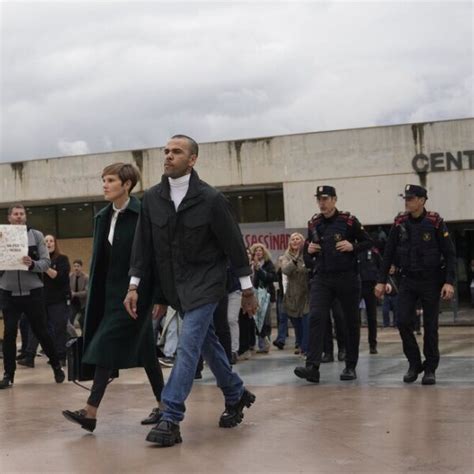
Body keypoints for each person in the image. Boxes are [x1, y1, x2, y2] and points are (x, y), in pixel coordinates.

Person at [124, 135, 258, 447]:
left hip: (208, 282)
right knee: (205, 341)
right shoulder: (152, 199)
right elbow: (143, 248)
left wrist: (247, 289)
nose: (169, 156)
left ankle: (170, 416)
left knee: (187, 344)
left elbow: (234, 245)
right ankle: (236, 393)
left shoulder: (211, 199)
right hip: (176, 286)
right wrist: (135, 286)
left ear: (192, 159)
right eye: (166, 151)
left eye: (177, 152)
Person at [62, 163, 164, 432]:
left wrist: (161, 297)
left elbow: (157, 259)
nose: (105, 185)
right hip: (106, 296)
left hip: (136, 293)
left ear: (127, 184)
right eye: (103, 180)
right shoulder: (102, 217)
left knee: (106, 344)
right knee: (147, 353)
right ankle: (166, 406)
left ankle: (90, 411)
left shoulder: (144, 214)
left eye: (110, 180)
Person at [375, 184, 456, 385]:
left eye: (411, 198)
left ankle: (430, 369)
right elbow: (388, 253)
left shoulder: (435, 222)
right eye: (406, 198)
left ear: (422, 200)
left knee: (430, 326)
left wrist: (449, 282)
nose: (407, 201)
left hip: (431, 280)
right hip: (408, 281)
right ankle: (414, 363)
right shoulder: (399, 222)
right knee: (402, 321)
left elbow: (450, 254)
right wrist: (381, 280)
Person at [295, 185, 372, 383]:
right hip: (322, 278)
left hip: (346, 277)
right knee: (316, 317)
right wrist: (309, 251)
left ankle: (350, 365)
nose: (322, 202)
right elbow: (306, 255)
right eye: (319, 199)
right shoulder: (314, 224)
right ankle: (312, 367)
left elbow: (368, 242)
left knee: (349, 321)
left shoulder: (348, 221)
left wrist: (352, 246)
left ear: (335, 199)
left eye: (326, 198)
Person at [0, 204, 65, 389]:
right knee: (10, 333)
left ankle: (56, 366)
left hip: (33, 292)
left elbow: (46, 263)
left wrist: (32, 264)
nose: (19, 217)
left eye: (22, 214)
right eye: (16, 214)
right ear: (9, 217)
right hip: (8, 292)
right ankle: (8, 375)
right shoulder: (1, 235)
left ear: (25, 217)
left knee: (42, 331)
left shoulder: (36, 235)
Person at [20, 235, 71, 367]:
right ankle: (29, 356)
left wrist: (44, 265)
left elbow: (60, 278)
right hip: (41, 299)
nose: (48, 243)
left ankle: (61, 356)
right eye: (45, 241)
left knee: (59, 328)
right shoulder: (38, 261)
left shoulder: (62, 259)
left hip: (58, 300)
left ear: (55, 243)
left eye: (51, 241)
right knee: (35, 328)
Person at [278, 233, 310, 355]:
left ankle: (306, 349)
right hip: (292, 295)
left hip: (307, 294)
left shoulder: (308, 254)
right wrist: (296, 258)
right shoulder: (285, 257)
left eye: (298, 239)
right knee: (298, 325)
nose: (295, 241)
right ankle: (302, 345)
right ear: (290, 243)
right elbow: (286, 270)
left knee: (307, 322)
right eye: (293, 239)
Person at [250, 243, 277, 354]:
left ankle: (265, 343)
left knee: (265, 320)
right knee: (255, 321)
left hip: (266, 295)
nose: (258, 252)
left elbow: (271, 277)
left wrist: (259, 270)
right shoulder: (249, 264)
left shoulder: (268, 264)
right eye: (256, 250)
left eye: (260, 250)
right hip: (252, 295)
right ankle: (257, 343)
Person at [358, 246, 381, 354]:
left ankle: (373, 344)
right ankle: (354, 343)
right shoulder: (354, 250)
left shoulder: (373, 252)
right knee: (354, 317)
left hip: (370, 285)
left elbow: (381, 266)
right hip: (357, 285)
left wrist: (379, 282)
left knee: (372, 317)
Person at [69, 259, 88, 329]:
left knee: (82, 321)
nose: (76, 268)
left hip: (83, 304)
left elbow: (86, 292)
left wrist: (75, 294)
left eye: (78, 266)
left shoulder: (86, 278)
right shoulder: (70, 276)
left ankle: (84, 337)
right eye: (74, 266)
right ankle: (70, 338)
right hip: (73, 303)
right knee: (70, 320)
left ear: (81, 267)